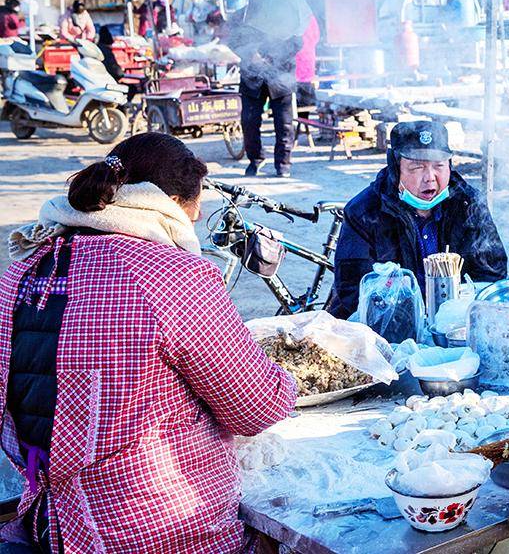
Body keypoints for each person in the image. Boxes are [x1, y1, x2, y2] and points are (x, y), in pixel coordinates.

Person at [1, 133, 296, 553]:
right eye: (195, 210)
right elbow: (256, 407)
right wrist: (289, 379)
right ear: (173, 204)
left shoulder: (23, 268)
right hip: (158, 529)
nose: (194, 222)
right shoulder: (171, 276)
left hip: (52, 523)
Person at [326, 121, 508, 319]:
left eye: (439, 166)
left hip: (456, 324)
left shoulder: (468, 204)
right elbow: (352, 290)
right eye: (416, 168)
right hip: (387, 328)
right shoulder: (364, 212)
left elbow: (492, 273)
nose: (430, 177)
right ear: (396, 170)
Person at [229, 23, 301, 178]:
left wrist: (271, 58)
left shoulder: (287, 16)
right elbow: (233, 41)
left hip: (281, 77)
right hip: (251, 77)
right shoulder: (246, 14)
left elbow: (297, 42)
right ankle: (255, 159)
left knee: (284, 124)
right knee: (249, 122)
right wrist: (250, 54)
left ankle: (283, 163)